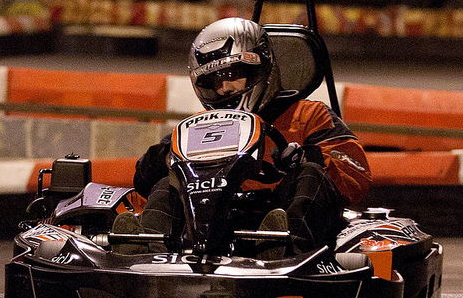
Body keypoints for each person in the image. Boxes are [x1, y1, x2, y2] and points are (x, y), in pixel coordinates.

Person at [133, 17, 372, 255]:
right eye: (214, 81)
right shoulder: (202, 124)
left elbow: (354, 171)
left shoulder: (308, 114)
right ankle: (149, 253)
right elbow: (143, 179)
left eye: (231, 75)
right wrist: (168, 159)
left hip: (281, 214)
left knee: (310, 174)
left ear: (258, 69)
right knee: (168, 184)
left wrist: (304, 160)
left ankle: (283, 249)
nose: (223, 89)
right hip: (213, 224)